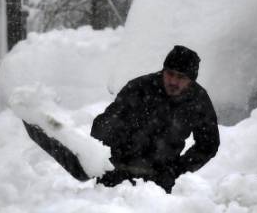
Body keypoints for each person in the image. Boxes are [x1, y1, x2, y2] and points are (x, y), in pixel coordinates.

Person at [90, 45, 219, 192]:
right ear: (163, 71)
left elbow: (208, 144)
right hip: (117, 173)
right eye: (170, 74)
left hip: (159, 181)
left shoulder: (198, 100)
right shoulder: (139, 88)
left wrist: (177, 169)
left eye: (181, 77)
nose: (174, 82)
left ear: (191, 81)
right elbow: (101, 128)